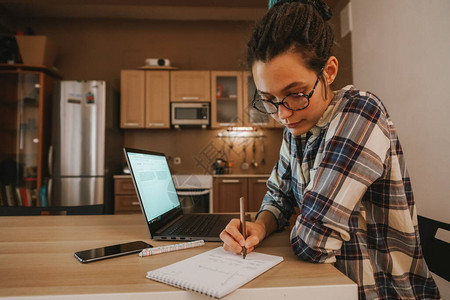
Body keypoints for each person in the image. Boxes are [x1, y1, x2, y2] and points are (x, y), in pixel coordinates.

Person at [219, 0, 441, 299]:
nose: (283, 114)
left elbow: (314, 242)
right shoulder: (298, 125)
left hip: (382, 291)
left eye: (295, 94)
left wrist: (300, 220)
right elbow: (279, 197)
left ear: (329, 71)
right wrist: (259, 226)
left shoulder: (361, 112)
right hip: (331, 286)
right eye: (269, 99)